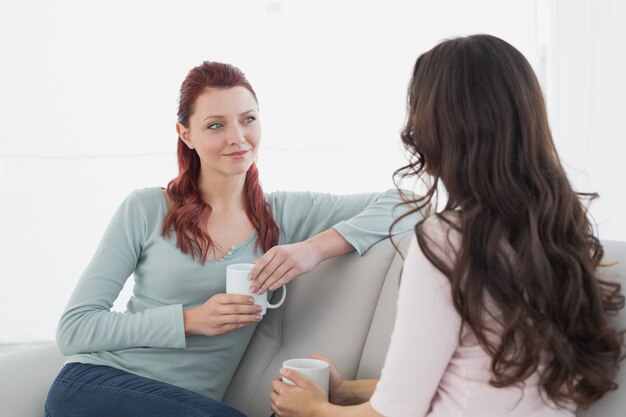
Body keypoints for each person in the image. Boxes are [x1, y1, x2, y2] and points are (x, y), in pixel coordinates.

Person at [270, 34, 624, 417]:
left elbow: (394, 413)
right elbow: (479, 383)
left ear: (441, 129)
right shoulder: (561, 232)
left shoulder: (447, 240)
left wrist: (314, 409)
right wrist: (346, 390)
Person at [44, 61, 415, 417]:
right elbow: (75, 328)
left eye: (248, 120)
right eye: (216, 125)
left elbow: (410, 201)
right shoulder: (146, 208)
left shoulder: (282, 215)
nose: (237, 138)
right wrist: (190, 320)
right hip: (97, 388)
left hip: (192, 407)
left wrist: (312, 250)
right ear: (185, 134)